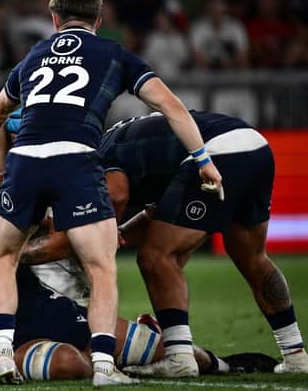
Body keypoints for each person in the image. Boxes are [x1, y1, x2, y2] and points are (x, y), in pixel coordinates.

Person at [0, 0, 223, 386]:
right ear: (98, 20)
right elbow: (169, 104)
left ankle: (1, 353)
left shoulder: (34, 55)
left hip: (26, 160)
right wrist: (203, 159)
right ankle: (104, 367)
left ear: (54, 19)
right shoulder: (113, 53)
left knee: (4, 258)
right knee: (101, 268)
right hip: (76, 160)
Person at [0, 131, 274, 381]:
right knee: (70, 364)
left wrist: (1, 254)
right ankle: (127, 368)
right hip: (12, 341)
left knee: (174, 353)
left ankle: (226, 362)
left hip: (57, 309)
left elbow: (58, 232)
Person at [97, 111, 308, 377]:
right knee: (253, 257)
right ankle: (295, 354)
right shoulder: (131, 141)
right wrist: (121, 231)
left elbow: (116, 194)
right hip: (254, 145)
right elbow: (156, 215)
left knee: (156, 257)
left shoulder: (98, 156)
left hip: (214, 152)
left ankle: (179, 358)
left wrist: (101, 240)